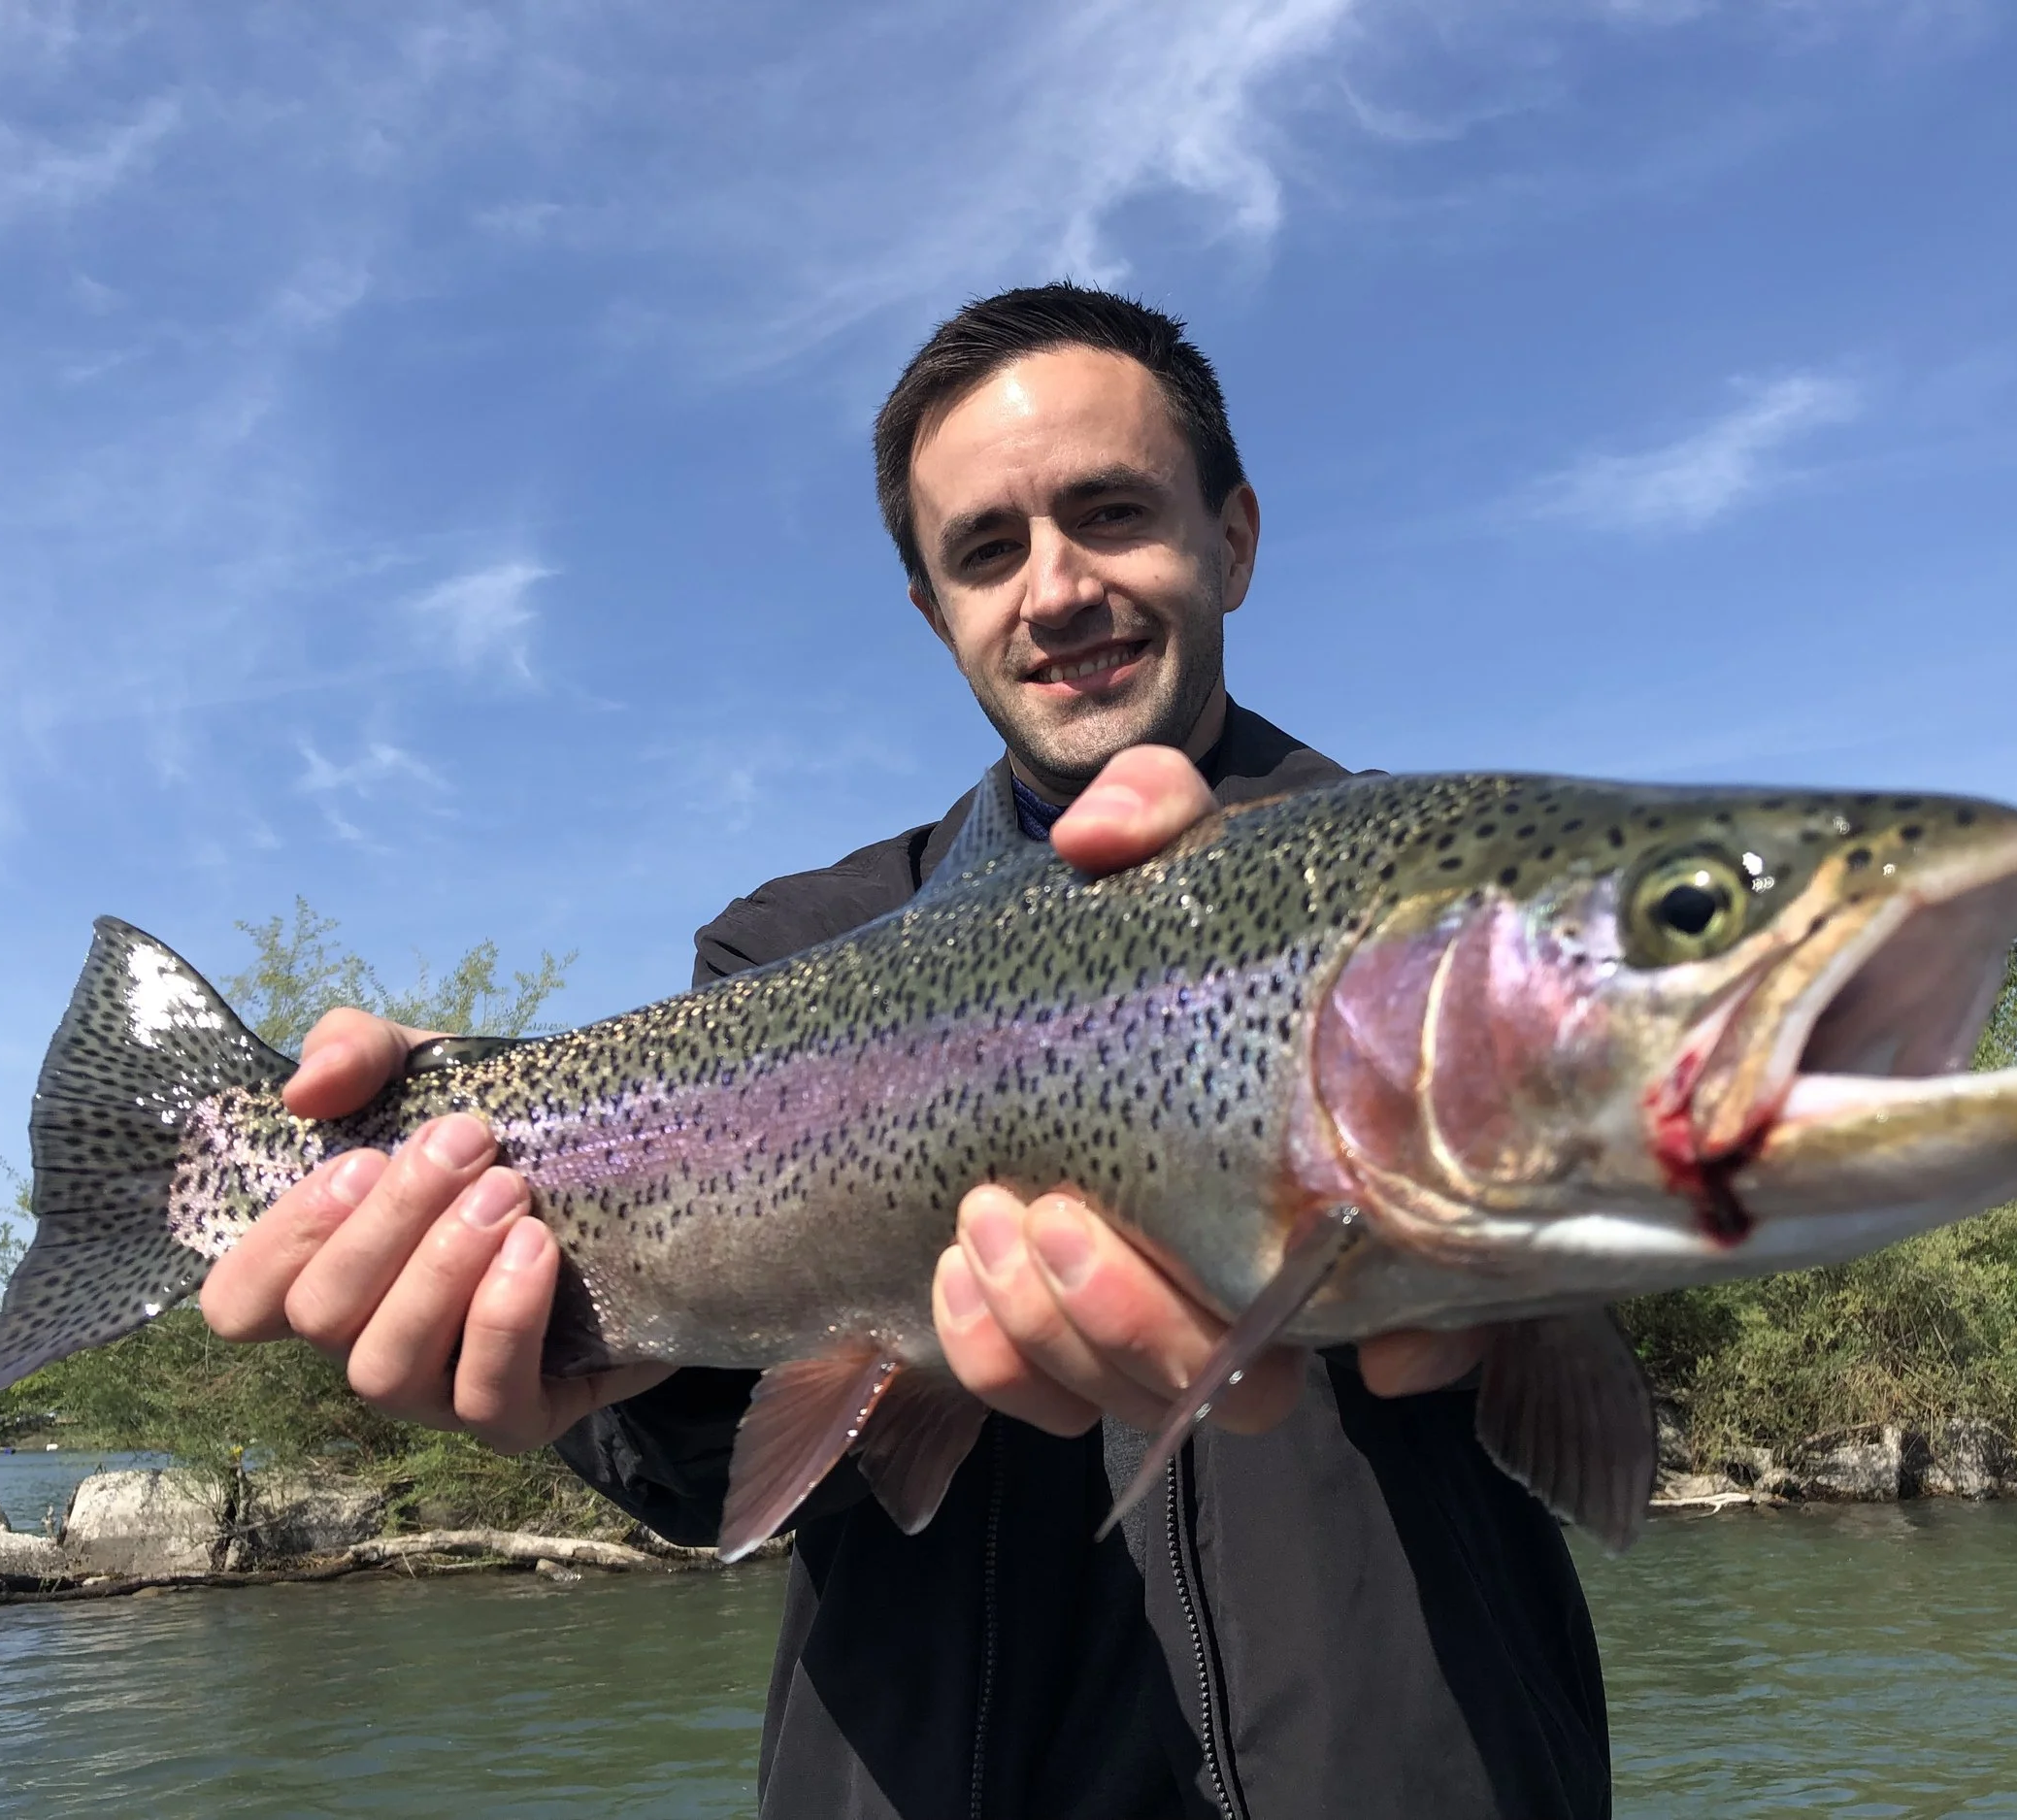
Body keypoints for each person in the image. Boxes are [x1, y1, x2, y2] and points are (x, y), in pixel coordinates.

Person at [201, 284, 1611, 1818]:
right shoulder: (789, 947)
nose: (1057, 587)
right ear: (935, 609)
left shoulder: (1469, 920)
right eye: (987, 550)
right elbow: (694, 1476)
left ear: (1236, 539)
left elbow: (1597, 1413)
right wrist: (559, 1339)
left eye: (1113, 511)